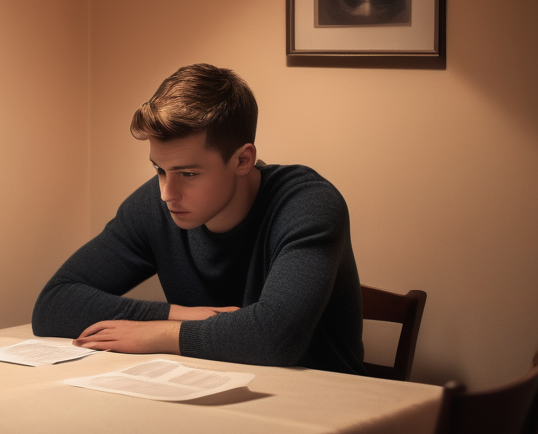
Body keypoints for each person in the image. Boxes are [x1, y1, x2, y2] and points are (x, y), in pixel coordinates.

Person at [32, 64, 366, 374]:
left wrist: (157, 334)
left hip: (329, 410)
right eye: (160, 170)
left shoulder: (308, 205)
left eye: (188, 173)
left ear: (242, 159)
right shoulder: (156, 205)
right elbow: (53, 305)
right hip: (213, 393)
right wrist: (177, 313)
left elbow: (274, 339)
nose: (167, 193)